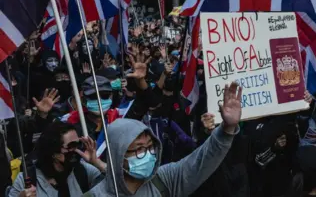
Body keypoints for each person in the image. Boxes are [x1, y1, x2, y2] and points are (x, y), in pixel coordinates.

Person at [83, 82, 243, 197]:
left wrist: (226, 130)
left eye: (151, 147)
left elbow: (202, 160)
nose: (148, 155)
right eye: (139, 149)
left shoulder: (164, 180)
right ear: (118, 155)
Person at [9, 122, 105, 197]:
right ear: (53, 151)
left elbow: (116, 183)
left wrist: (97, 162)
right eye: (71, 146)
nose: (75, 150)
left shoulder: (83, 170)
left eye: (77, 145)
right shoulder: (26, 179)